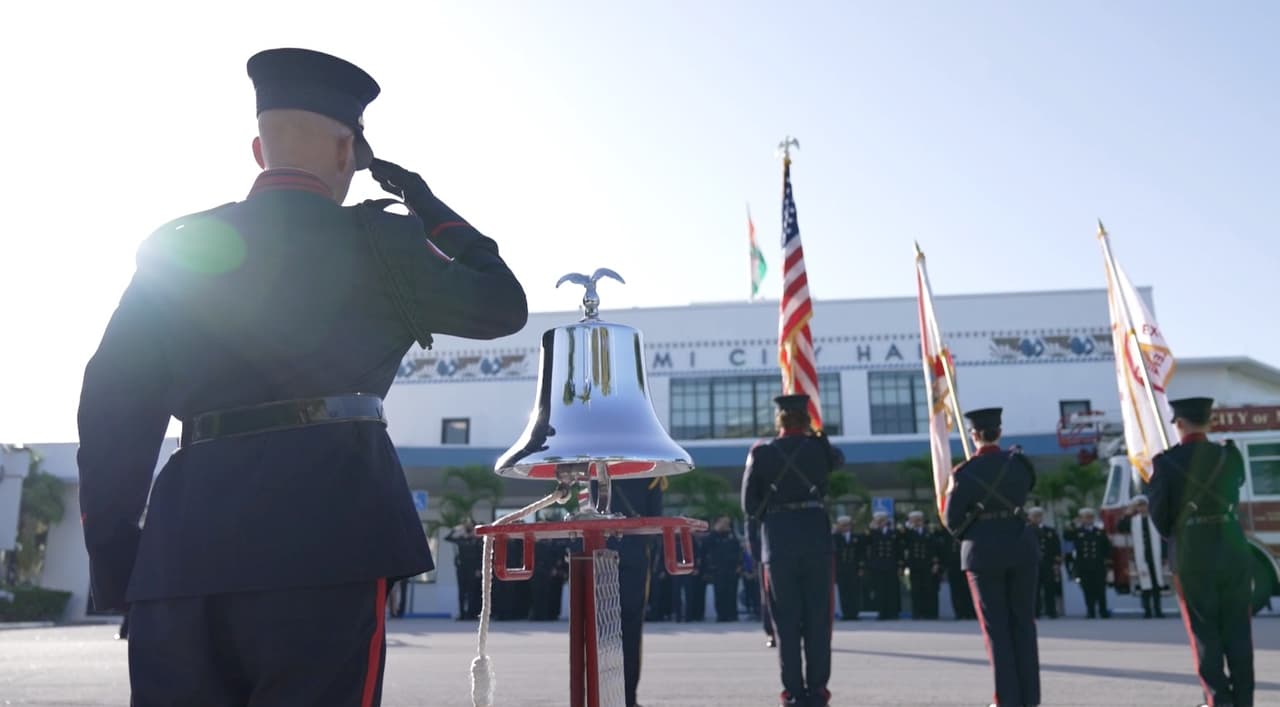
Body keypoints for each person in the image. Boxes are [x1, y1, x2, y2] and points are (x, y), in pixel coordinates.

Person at [75, 47, 528, 705]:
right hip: (331, 540)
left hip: (183, 551)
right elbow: (503, 303)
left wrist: (121, 561)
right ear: (349, 151)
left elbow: (111, 402)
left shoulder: (179, 247)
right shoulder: (385, 244)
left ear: (260, 149)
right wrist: (429, 208)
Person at [1149, 396, 1254, 707]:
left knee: (1204, 632)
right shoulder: (1229, 455)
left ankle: (1218, 700)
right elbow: (1237, 485)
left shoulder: (1165, 463)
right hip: (1233, 547)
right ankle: (1244, 700)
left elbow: (1160, 518)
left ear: (1178, 424)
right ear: (1209, 421)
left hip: (1193, 551)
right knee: (1238, 630)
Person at [741, 394, 843, 707]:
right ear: (806, 418)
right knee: (818, 622)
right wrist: (818, 437)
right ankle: (817, 692)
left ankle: (792, 693)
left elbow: (748, 505)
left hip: (779, 542)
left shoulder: (762, 453)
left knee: (785, 624)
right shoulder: (819, 449)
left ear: (779, 420)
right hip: (815, 541)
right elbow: (838, 460)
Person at [943, 407, 1040, 707]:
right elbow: (1028, 488)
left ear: (973, 436)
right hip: (1020, 546)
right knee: (1023, 624)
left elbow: (951, 519)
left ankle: (1007, 699)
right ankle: (1029, 698)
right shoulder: (1019, 464)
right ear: (1000, 432)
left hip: (983, 552)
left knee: (996, 630)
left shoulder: (964, 472)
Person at [596, 475, 667, 707]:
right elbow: (655, 519)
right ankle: (627, 698)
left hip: (600, 553)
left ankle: (601, 696)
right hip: (635, 555)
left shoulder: (597, 469)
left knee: (602, 630)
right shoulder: (650, 474)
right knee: (630, 629)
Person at [1117, 495, 1166, 619]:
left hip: (1155, 555)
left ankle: (1158, 609)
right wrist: (1128, 513)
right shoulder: (1134, 520)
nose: (1142, 508)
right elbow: (1121, 527)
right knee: (1145, 585)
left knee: (1156, 585)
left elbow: (1163, 537)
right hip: (1142, 557)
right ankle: (1147, 610)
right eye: (1139, 506)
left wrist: (1164, 555)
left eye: (1144, 505)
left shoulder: (1154, 518)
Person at [1066, 508, 1111, 618]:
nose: (1088, 519)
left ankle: (1103, 610)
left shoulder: (1099, 532)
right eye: (1085, 517)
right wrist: (1072, 524)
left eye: (1090, 517)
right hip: (1084, 565)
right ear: (1081, 519)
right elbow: (1066, 536)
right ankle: (1090, 611)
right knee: (1087, 589)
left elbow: (1107, 547)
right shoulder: (1078, 532)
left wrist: (1107, 560)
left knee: (1100, 589)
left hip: (1098, 564)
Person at [903, 510, 941, 620]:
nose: (917, 522)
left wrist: (935, 563)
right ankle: (916, 613)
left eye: (918, 520)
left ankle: (928, 613)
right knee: (915, 590)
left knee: (927, 589)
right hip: (914, 565)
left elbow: (934, 549)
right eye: (914, 520)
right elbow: (902, 543)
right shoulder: (908, 533)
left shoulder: (929, 532)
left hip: (927, 565)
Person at [705, 515, 743, 622]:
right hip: (718, 569)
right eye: (723, 522)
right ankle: (721, 615)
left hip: (732, 569)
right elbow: (707, 546)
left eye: (727, 522)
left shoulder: (732, 535)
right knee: (720, 592)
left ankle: (732, 614)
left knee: (732, 592)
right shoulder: (713, 536)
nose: (726, 525)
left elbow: (739, 551)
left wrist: (740, 565)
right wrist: (715, 531)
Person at [865, 511, 902, 620]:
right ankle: (882, 612)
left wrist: (900, 565)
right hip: (878, 565)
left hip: (891, 564)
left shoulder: (893, 532)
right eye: (879, 520)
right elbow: (866, 543)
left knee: (892, 590)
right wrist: (872, 528)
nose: (881, 522)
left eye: (883, 519)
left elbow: (898, 549)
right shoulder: (872, 532)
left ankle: (893, 612)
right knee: (880, 590)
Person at [1027, 507, 1062, 619]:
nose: (1037, 518)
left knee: (1049, 588)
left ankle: (1051, 611)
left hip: (1047, 563)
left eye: (1039, 515)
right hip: (1032, 564)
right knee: (1034, 589)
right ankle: (1035, 611)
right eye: (1034, 516)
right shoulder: (1026, 530)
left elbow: (1056, 547)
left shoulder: (1050, 531)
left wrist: (1056, 562)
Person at [748, 517, 777, 647]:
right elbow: (751, 526)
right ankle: (772, 632)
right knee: (768, 595)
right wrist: (758, 555)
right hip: (767, 555)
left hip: (791, 550)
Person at [446, 522, 484, 620]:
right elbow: (447, 538)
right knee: (462, 593)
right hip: (461, 569)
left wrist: (479, 569)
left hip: (472, 569)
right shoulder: (460, 539)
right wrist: (455, 529)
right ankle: (462, 614)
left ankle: (470, 614)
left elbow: (480, 556)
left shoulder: (476, 540)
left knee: (472, 592)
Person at [832, 515, 864, 621]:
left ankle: (854, 613)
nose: (845, 527)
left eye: (847, 525)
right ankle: (846, 614)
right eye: (843, 525)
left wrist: (861, 567)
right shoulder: (835, 537)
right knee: (843, 592)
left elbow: (861, 553)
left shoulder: (857, 537)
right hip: (841, 569)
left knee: (854, 592)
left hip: (854, 568)